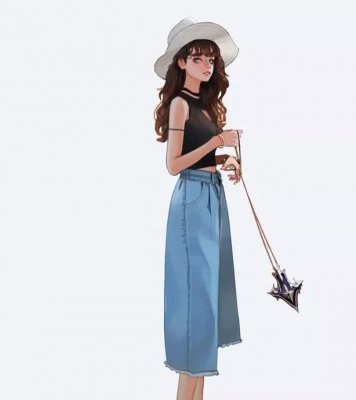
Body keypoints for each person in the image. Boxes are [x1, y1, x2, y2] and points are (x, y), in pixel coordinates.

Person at [154, 17, 243, 400]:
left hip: (211, 196)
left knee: (207, 300)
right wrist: (218, 143)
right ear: (181, 62)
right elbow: (174, 165)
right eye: (198, 58)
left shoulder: (204, 106)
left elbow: (201, 157)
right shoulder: (179, 104)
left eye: (210, 59)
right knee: (196, 298)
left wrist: (225, 160)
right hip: (192, 199)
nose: (207, 65)